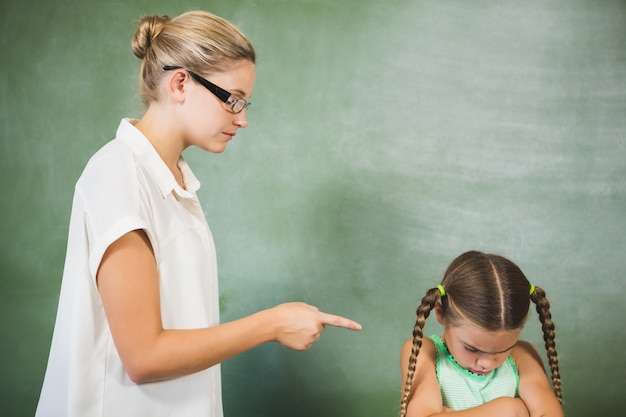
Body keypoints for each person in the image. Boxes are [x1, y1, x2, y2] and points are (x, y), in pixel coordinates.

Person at [35, 10, 361, 417]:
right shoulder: (119, 176)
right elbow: (144, 357)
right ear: (181, 82)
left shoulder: (172, 182)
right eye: (233, 99)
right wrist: (272, 324)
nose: (242, 119)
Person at [399, 251, 563, 417]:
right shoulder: (425, 352)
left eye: (502, 351)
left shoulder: (522, 355)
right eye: (471, 348)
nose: (486, 363)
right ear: (440, 314)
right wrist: (512, 409)